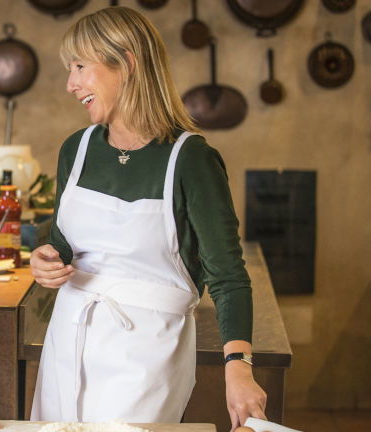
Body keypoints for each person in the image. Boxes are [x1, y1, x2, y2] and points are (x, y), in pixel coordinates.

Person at [29, 6, 267, 429]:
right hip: (69, 338)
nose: (71, 84)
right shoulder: (77, 149)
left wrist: (239, 367)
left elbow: (228, 276)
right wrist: (46, 258)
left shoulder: (190, 160)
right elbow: (66, 243)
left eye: (81, 66)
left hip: (147, 355)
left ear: (126, 62)